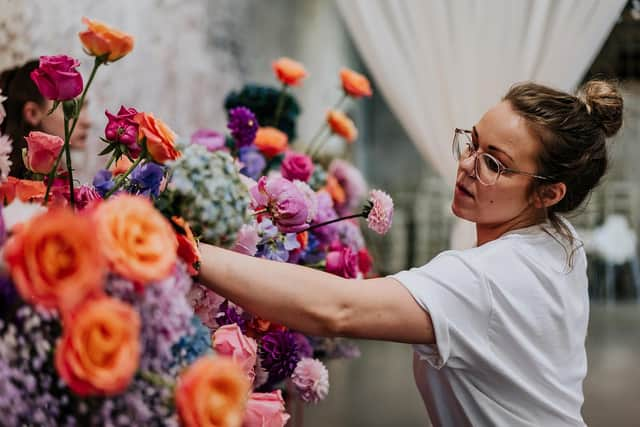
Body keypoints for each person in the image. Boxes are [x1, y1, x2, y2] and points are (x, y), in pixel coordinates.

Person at [196, 79, 623, 426]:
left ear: (549, 192)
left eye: (494, 163)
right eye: (472, 143)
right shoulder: (559, 239)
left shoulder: (489, 278)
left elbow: (338, 310)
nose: (468, 165)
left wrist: (190, 251)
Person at [0, 59, 91, 179]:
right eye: (72, 107)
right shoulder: (11, 187)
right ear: (32, 113)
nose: (88, 122)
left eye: (85, 107)